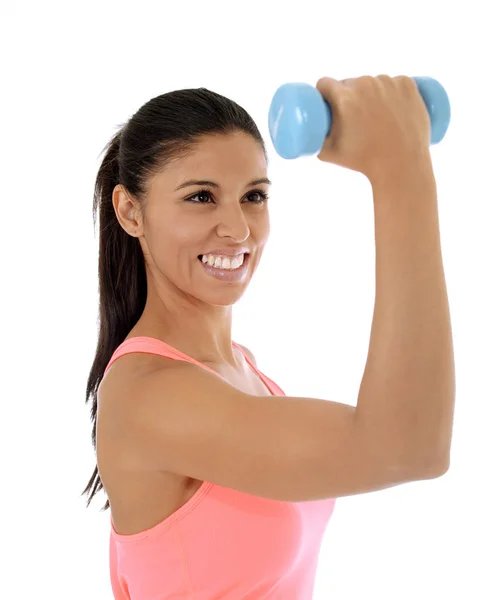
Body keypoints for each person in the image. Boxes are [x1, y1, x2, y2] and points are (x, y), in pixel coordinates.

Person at [82, 76, 455, 599]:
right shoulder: (149, 395)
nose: (237, 229)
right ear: (130, 212)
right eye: (201, 197)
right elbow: (405, 448)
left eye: (253, 195)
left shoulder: (240, 371)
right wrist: (401, 171)